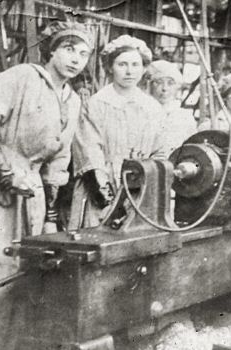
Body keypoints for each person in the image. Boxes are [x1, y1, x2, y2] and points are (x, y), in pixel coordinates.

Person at [0, 21, 93, 350]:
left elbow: (59, 160)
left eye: (83, 54)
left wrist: (50, 211)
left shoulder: (72, 100)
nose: (75, 59)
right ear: (52, 50)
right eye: (69, 49)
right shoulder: (21, 78)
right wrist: (7, 175)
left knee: (24, 275)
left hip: (31, 193)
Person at [70, 35, 167, 229]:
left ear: (144, 68)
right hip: (99, 191)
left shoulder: (153, 108)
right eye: (122, 64)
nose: (129, 71)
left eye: (135, 64)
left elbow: (160, 153)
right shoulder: (96, 105)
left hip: (141, 194)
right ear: (110, 67)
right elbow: (89, 155)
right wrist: (109, 202)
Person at [145, 60, 197, 153]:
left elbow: (192, 147)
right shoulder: (143, 113)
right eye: (159, 82)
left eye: (170, 83)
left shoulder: (184, 117)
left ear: (177, 87)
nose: (165, 88)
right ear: (150, 85)